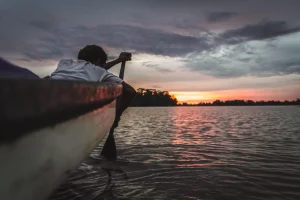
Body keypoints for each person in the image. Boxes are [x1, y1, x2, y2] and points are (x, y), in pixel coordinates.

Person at [50, 45, 136, 127]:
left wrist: (118, 60)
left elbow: (94, 68)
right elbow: (130, 91)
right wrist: (117, 116)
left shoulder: (64, 63)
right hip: (70, 107)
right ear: (98, 61)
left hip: (49, 99)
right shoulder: (99, 71)